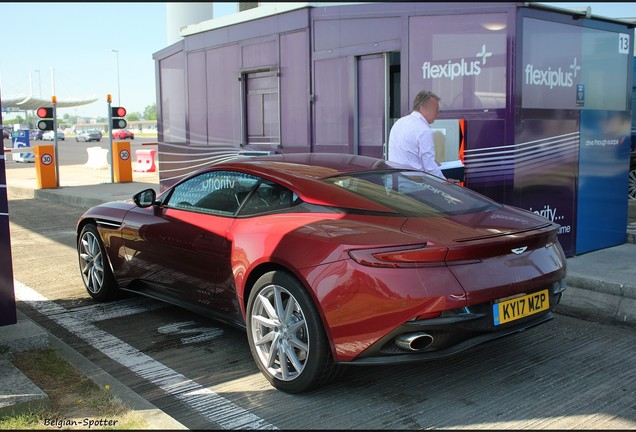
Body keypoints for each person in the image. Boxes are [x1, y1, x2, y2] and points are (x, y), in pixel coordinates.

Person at [387, 90, 447, 180]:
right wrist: (445, 183)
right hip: (415, 185)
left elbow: (406, 152)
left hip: (395, 181)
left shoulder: (399, 122)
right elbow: (429, 168)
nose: (437, 113)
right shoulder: (423, 130)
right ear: (422, 108)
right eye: (435, 110)